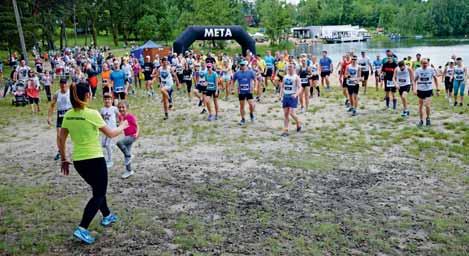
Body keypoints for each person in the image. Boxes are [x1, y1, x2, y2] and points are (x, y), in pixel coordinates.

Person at [59, 82, 128, 244]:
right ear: (87, 96)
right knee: (99, 193)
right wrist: (123, 125)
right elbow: (111, 134)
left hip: (79, 162)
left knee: (98, 189)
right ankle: (82, 228)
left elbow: (61, 138)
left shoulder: (68, 115)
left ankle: (107, 215)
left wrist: (64, 158)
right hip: (95, 159)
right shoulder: (92, 114)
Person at [48, 78, 72, 161]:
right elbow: (52, 105)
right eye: (62, 86)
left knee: (73, 134)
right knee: (59, 135)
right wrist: (49, 117)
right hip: (60, 115)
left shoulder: (71, 92)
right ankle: (60, 151)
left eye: (65, 85)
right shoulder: (57, 93)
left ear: (67, 85)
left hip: (70, 114)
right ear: (60, 85)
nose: (63, 87)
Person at [116, 101, 139, 179]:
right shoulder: (120, 117)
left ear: (127, 108)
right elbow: (121, 126)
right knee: (126, 153)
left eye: (123, 107)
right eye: (119, 107)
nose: (121, 109)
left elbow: (137, 126)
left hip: (132, 136)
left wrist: (137, 133)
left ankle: (129, 155)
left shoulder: (130, 117)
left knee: (119, 143)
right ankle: (129, 171)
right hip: (127, 136)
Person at [414, 59, 439, 127]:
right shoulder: (418, 70)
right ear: (421, 63)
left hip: (429, 89)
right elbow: (414, 80)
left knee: (427, 105)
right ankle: (421, 120)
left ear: (428, 63)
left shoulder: (431, 69)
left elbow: (435, 79)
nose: (425, 64)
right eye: (423, 63)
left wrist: (437, 89)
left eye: (426, 63)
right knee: (420, 106)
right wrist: (414, 89)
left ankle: (428, 119)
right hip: (420, 90)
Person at [231, 60, 256, 125]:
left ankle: (251, 113)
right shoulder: (237, 73)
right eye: (241, 65)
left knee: (252, 105)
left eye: (243, 65)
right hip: (241, 92)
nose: (242, 66)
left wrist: (255, 87)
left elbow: (255, 80)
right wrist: (232, 89)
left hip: (248, 91)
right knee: (242, 106)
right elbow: (233, 81)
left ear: (246, 65)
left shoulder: (251, 72)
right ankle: (243, 119)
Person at [280, 64, 303, 136]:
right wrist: (280, 95)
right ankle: (285, 130)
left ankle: (298, 122)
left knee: (292, 113)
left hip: (293, 96)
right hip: (285, 97)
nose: (289, 68)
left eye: (291, 67)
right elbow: (282, 86)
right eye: (288, 67)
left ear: (294, 68)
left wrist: (296, 95)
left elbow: (300, 88)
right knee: (286, 114)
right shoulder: (285, 77)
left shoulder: (296, 77)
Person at [100, 94, 119, 168]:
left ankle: (110, 160)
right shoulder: (102, 109)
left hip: (112, 129)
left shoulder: (114, 108)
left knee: (107, 145)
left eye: (109, 99)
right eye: (105, 99)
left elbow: (119, 115)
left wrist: (118, 123)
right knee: (103, 144)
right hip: (105, 129)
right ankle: (112, 146)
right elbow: (100, 118)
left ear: (112, 100)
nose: (107, 101)